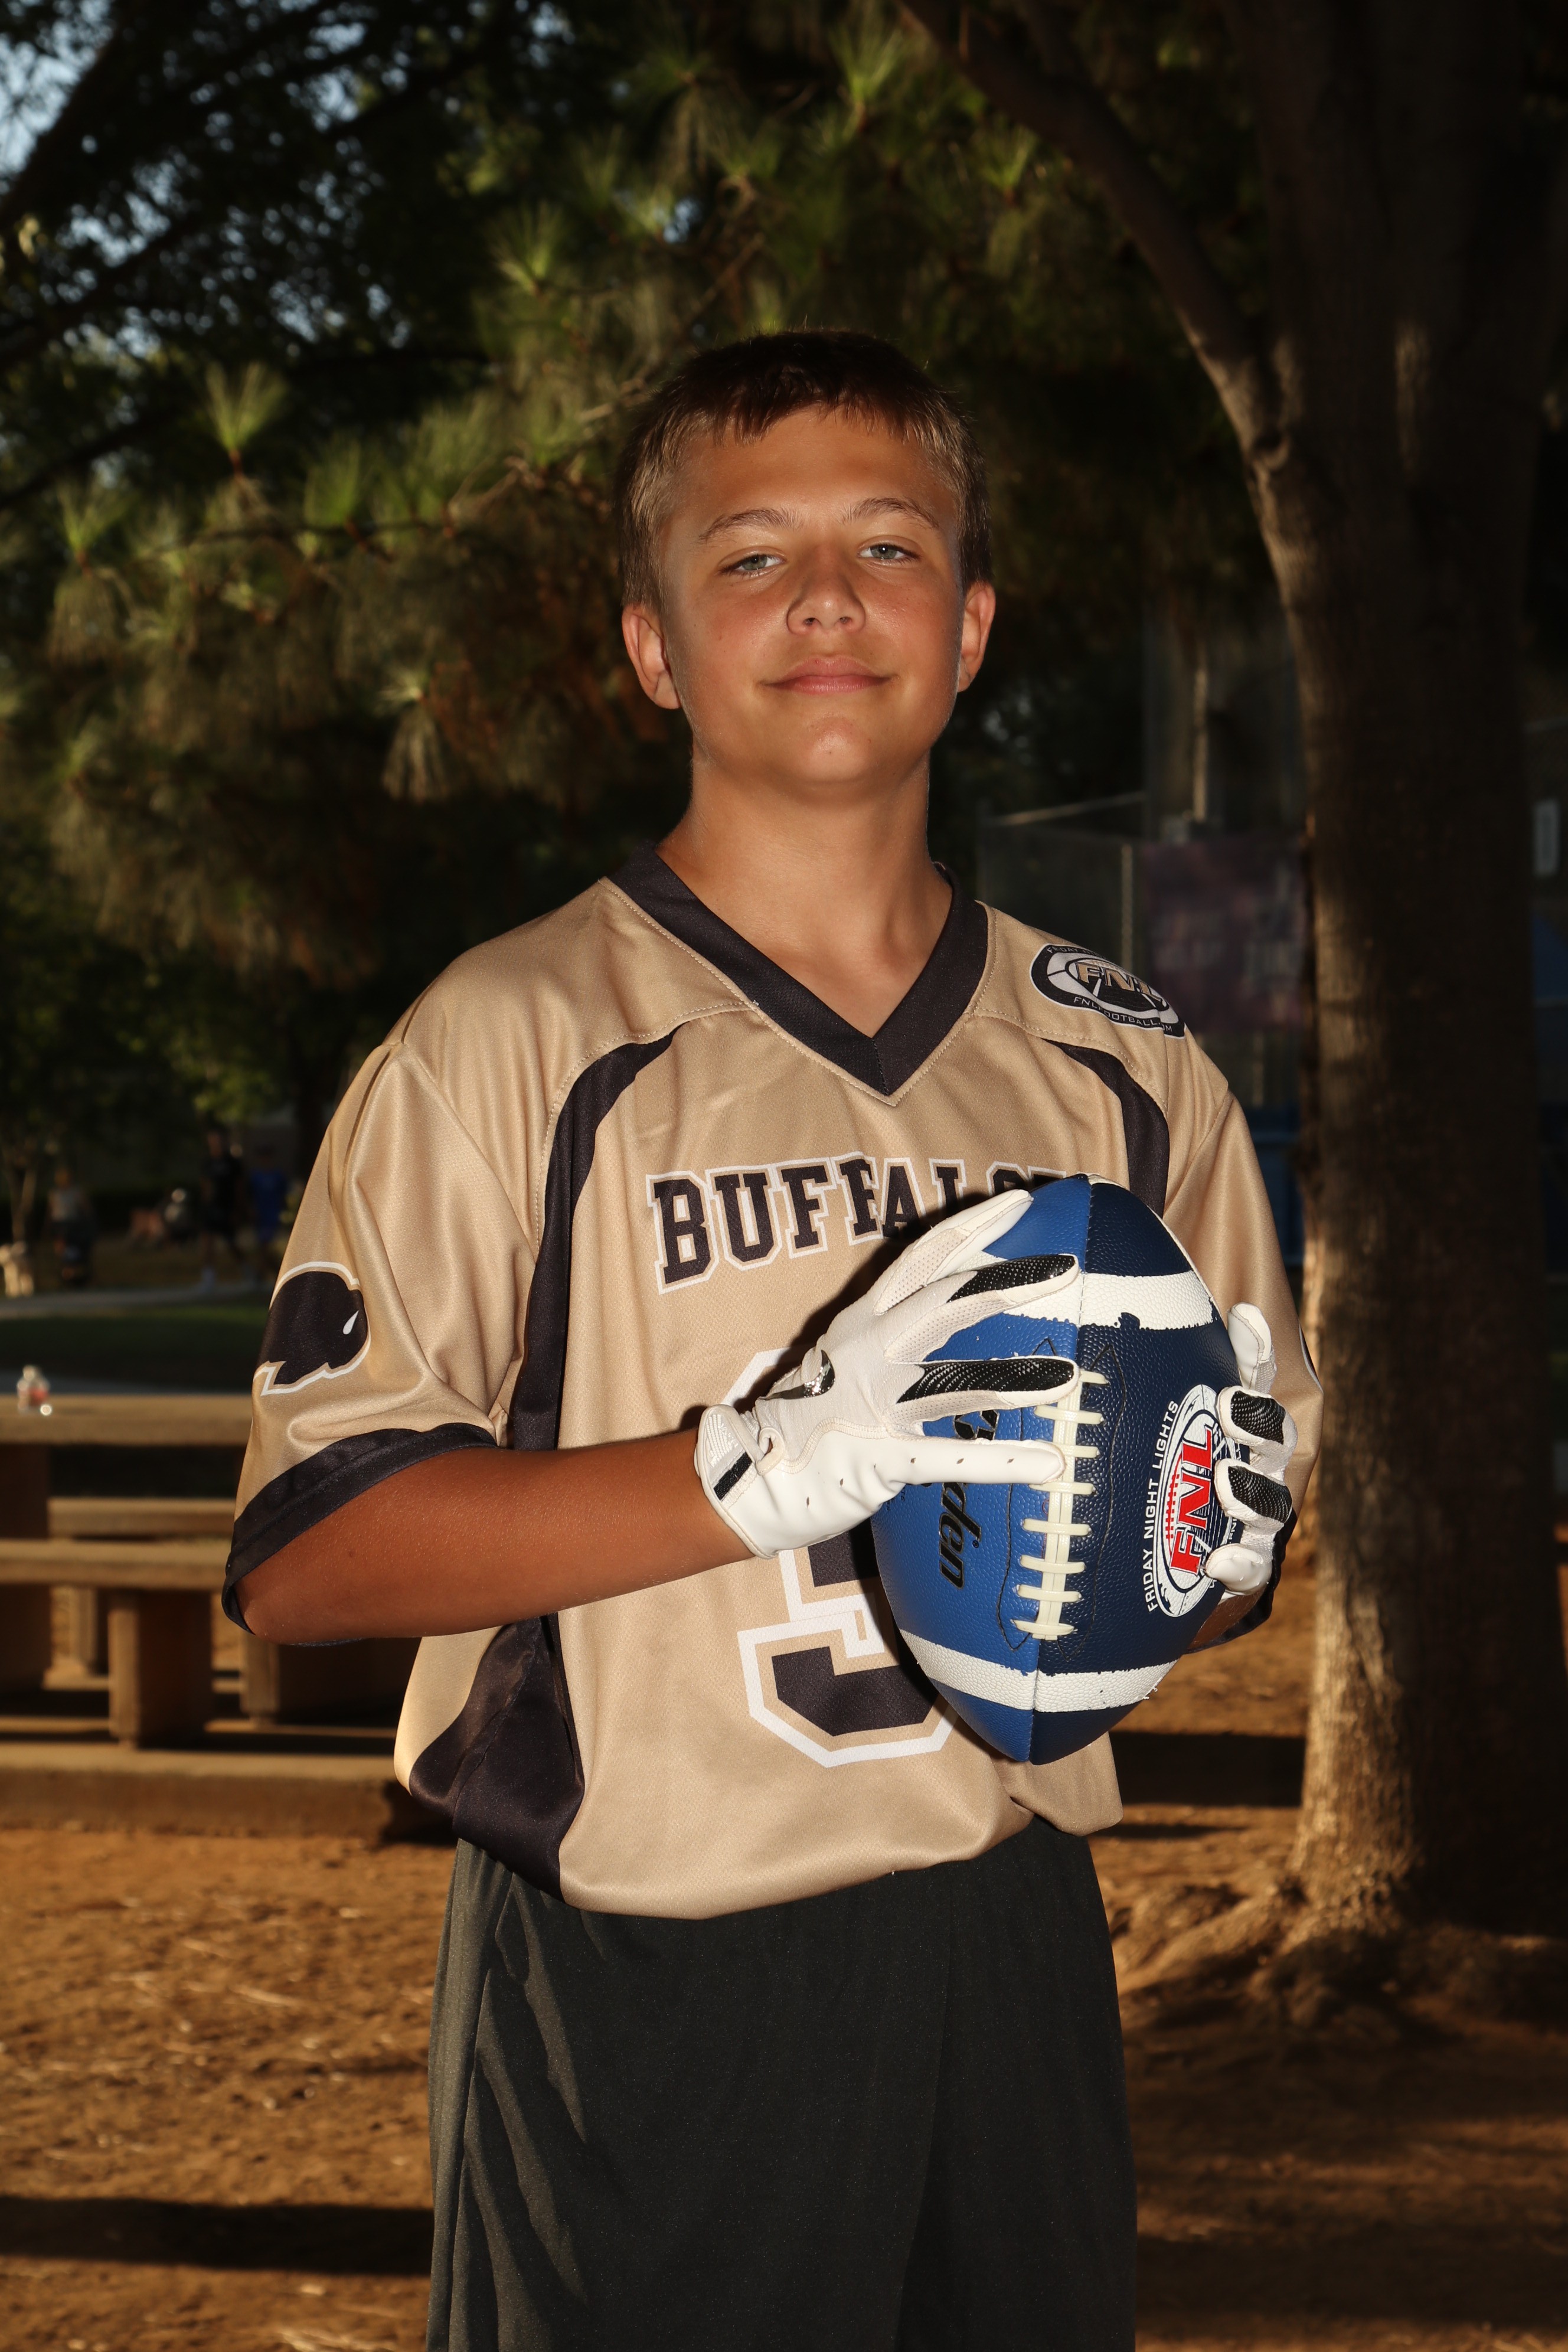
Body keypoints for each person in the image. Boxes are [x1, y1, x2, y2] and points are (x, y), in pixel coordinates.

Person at [227, 332, 1321, 2351]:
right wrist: (740, 1474)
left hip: (1009, 1934)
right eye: (750, 556)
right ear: (652, 647)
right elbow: (307, 1559)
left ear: (969, 626)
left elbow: (1222, 1540)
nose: (825, 597)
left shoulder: (1122, 1059)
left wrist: (1205, 1543)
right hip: (649, 1960)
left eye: (889, 544)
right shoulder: (510, 1038)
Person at [196, 1124, 246, 1290]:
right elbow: (205, 1187)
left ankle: (248, 1272)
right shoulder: (207, 1163)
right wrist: (204, 1207)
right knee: (207, 1243)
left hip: (228, 1208)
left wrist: (238, 1210)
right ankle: (209, 1279)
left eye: (219, 1139)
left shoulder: (233, 1163)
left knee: (231, 1244)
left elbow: (239, 1188)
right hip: (211, 1209)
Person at [245, 1142, 289, 1277]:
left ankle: (268, 1271)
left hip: (274, 1215)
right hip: (261, 1215)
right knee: (262, 1244)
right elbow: (250, 1195)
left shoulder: (278, 1176)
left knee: (272, 1246)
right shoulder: (255, 1177)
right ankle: (264, 1271)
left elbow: (284, 1196)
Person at [47, 1164, 95, 1289]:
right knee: (62, 1249)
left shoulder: (76, 1192)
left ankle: (77, 1273)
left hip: (73, 1223)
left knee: (76, 1248)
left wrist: (89, 1221)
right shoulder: (55, 1193)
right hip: (59, 1224)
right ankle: (64, 1272)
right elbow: (52, 1210)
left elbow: (86, 1207)